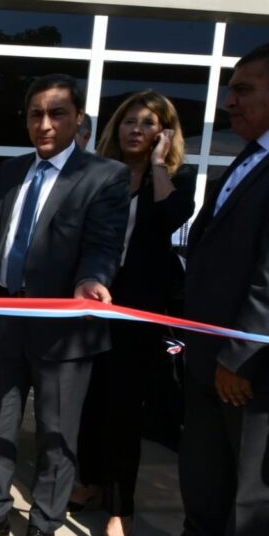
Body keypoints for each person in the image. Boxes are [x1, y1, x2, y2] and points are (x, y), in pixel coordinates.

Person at [0, 74, 130, 536]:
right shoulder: (11, 171)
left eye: (57, 114)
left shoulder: (103, 176)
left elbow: (103, 244)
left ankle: (45, 523)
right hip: (5, 319)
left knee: (56, 437)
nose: (45, 124)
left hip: (63, 328)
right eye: (36, 114)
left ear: (78, 119)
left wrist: (93, 279)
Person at [72, 91, 195, 535]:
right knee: (87, 401)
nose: (135, 129)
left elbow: (170, 219)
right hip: (89, 305)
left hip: (137, 314)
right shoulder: (96, 175)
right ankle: (87, 480)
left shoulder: (172, 181)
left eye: (147, 123)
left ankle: (120, 506)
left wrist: (159, 163)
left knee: (124, 411)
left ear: (162, 132)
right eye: (128, 121)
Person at [179, 43, 269, 536]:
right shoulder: (245, 160)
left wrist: (238, 357)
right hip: (205, 359)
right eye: (229, 90)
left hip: (246, 375)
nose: (229, 102)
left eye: (244, 90)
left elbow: (268, 280)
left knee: (248, 500)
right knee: (203, 482)